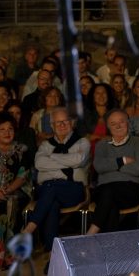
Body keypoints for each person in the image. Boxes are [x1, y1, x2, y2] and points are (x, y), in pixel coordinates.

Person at [22, 106, 90, 252]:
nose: (62, 125)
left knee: (50, 190)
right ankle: (52, 251)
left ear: (72, 123)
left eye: (65, 121)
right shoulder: (46, 145)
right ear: (52, 126)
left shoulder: (82, 142)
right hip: (47, 190)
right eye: (58, 122)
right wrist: (68, 164)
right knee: (52, 201)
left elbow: (78, 160)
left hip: (72, 190)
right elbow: (39, 163)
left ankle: (28, 230)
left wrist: (51, 157)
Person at [87, 109, 139, 234]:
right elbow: (99, 166)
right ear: (108, 127)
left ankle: (90, 234)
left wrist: (112, 166)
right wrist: (123, 160)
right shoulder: (102, 145)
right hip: (103, 190)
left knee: (109, 197)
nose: (118, 126)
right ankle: (110, 242)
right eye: (113, 123)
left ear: (128, 123)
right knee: (110, 200)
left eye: (121, 122)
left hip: (130, 189)